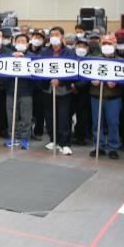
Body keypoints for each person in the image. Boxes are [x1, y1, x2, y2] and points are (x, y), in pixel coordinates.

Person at [40, 26, 75, 155]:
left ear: (62, 37)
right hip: (47, 89)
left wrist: (60, 80)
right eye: (52, 34)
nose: (54, 37)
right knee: (49, 117)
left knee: (63, 117)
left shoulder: (69, 52)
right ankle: (53, 140)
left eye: (57, 34)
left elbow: (72, 70)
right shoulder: (44, 52)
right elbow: (40, 67)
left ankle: (65, 143)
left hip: (63, 90)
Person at [88, 34, 122, 159]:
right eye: (104, 44)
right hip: (96, 96)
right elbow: (86, 74)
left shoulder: (121, 62)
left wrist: (118, 82)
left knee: (113, 123)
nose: (107, 46)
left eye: (110, 44)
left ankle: (113, 147)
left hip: (114, 97)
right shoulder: (93, 60)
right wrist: (91, 80)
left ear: (115, 45)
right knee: (97, 123)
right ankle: (99, 146)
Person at [4, 33, 35, 149]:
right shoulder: (8, 55)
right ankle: (12, 137)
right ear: (14, 43)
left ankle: (25, 138)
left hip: (26, 91)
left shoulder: (32, 56)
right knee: (11, 116)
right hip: (11, 90)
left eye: (23, 41)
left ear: (28, 43)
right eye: (18, 41)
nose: (21, 43)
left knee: (26, 117)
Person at [71, 37, 92, 145]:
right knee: (67, 115)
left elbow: (89, 77)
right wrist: (72, 85)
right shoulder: (70, 59)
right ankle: (68, 135)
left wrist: (77, 86)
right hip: (70, 91)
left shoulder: (91, 60)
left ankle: (81, 137)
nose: (81, 48)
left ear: (88, 48)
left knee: (83, 116)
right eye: (79, 46)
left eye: (84, 46)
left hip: (85, 92)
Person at [28, 30, 46, 140]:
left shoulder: (44, 52)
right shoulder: (25, 50)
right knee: (27, 111)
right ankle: (27, 131)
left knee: (39, 110)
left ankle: (38, 131)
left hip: (40, 86)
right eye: (35, 36)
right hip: (27, 85)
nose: (37, 39)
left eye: (40, 38)